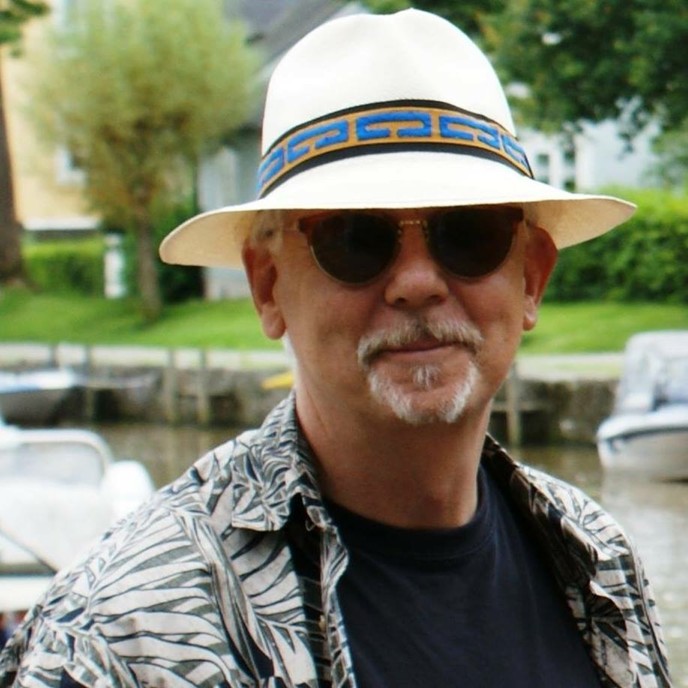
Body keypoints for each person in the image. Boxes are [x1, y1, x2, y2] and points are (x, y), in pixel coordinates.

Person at [0, 9, 670, 687]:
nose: (416, 283)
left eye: (470, 233)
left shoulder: (598, 561)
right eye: (354, 238)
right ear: (268, 286)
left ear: (532, 277)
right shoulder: (124, 633)